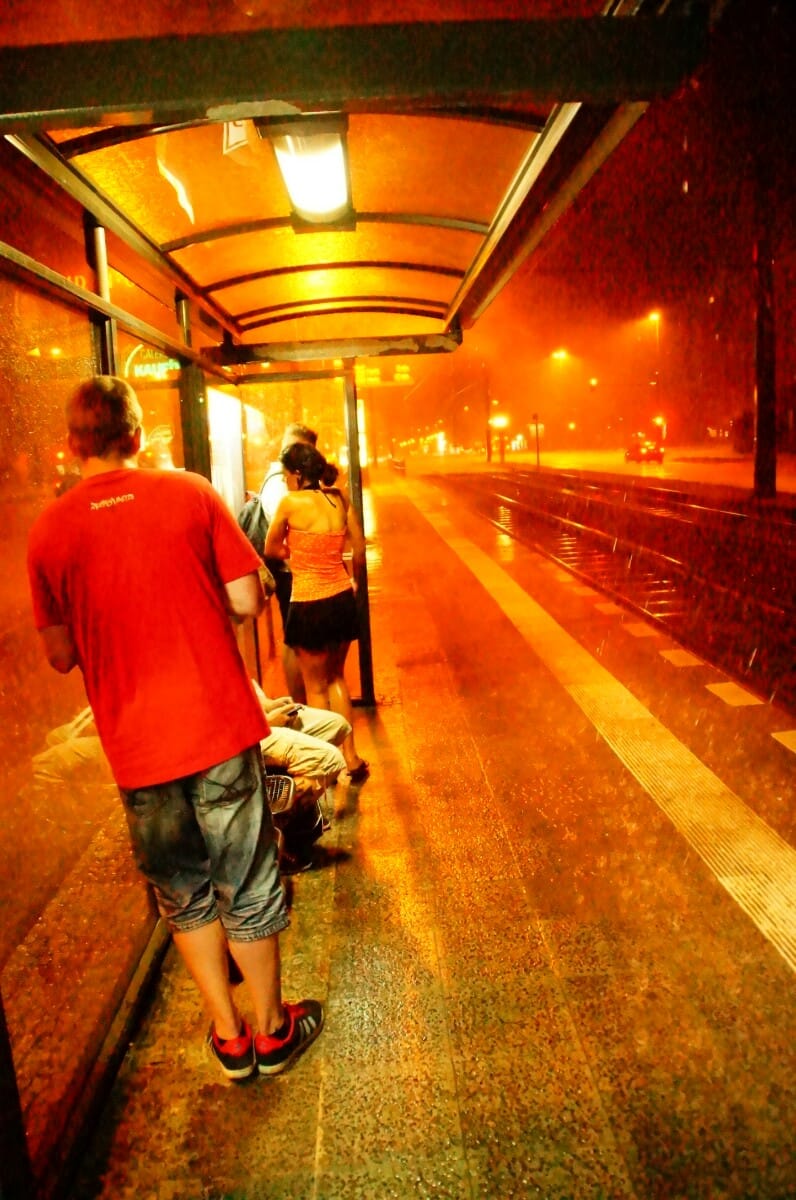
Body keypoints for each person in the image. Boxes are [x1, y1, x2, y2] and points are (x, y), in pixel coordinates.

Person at [26, 376, 323, 1082]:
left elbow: (61, 654)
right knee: (246, 877)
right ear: (135, 436)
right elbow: (248, 599)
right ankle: (274, 1030)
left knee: (183, 891)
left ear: (70, 446)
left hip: (137, 748)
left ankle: (228, 1037)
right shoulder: (188, 493)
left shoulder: (50, 530)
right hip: (217, 727)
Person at [264, 442, 369, 781]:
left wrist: (297, 557)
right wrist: (346, 577)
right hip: (340, 600)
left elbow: (271, 548)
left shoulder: (290, 503)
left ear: (296, 475)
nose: (285, 482)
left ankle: (324, 767)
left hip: (309, 602)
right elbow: (359, 549)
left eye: (285, 476)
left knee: (315, 688)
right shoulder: (337, 499)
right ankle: (351, 758)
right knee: (337, 678)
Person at [259, 423, 319, 703]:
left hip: (298, 572)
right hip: (289, 575)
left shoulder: (284, 482)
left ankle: (307, 700)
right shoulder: (278, 485)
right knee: (294, 642)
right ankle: (302, 703)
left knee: (301, 642)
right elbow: (278, 540)